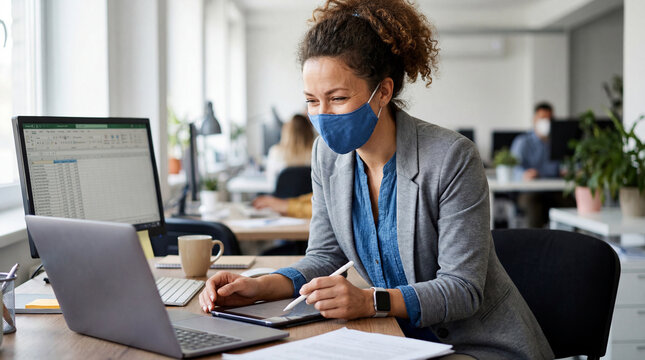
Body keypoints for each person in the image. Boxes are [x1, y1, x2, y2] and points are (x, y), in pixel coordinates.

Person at [199, 1, 553, 358]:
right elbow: (324, 256)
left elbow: (462, 289)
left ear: (383, 92)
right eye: (311, 100)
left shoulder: (452, 158)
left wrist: (371, 301)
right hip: (396, 338)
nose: (322, 115)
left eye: (337, 98)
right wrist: (261, 287)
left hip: (476, 344)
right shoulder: (326, 155)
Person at [510, 102, 560, 181]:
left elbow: (559, 168)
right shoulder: (522, 142)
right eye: (543, 118)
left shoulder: (558, 142)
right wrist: (524, 174)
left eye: (549, 119)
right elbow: (513, 168)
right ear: (534, 119)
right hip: (530, 188)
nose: (547, 122)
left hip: (555, 188)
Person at [265, 114, 315, 184]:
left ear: (286, 132)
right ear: (310, 131)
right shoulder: (316, 153)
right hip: (309, 195)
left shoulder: (275, 152)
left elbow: (271, 183)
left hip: (282, 195)